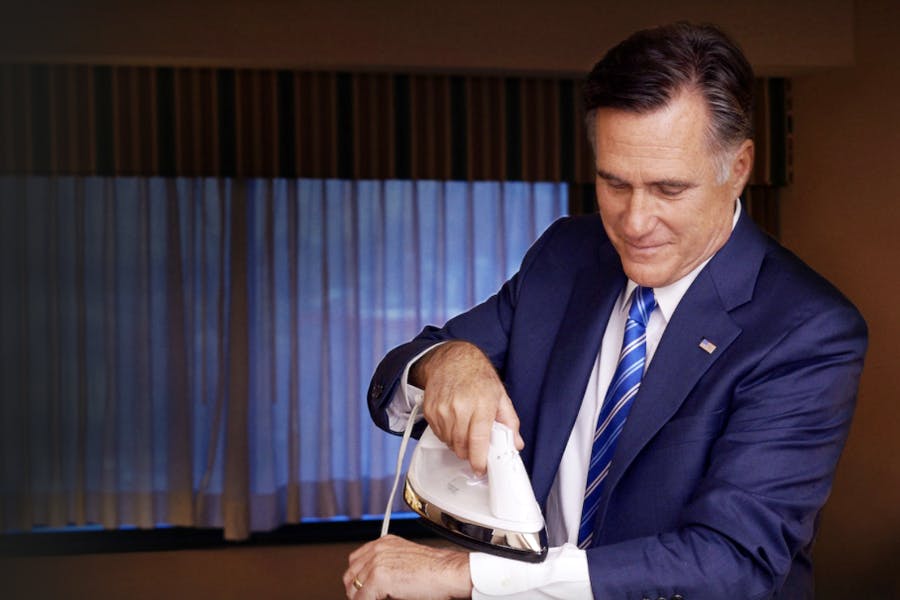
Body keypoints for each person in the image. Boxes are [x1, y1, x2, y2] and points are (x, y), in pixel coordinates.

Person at [343, 22, 867, 600]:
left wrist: (465, 575)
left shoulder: (808, 330)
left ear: (738, 168)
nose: (634, 223)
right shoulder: (568, 254)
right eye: (614, 184)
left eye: (669, 189)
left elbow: (732, 563)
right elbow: (397, 378)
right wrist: (447, 362)